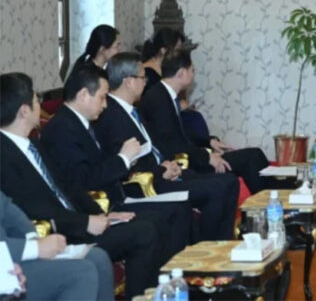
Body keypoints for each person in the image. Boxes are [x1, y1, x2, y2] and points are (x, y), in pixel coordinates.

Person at [0, 72, 159, 299]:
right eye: (36, 100)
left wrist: (102, 215)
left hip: (74, 222)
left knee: (137, 231)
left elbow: (68, 186)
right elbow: (33, 208)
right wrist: (84, 223)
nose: (40, 106)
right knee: (142, 233)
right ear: (24, 111)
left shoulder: (32, 144)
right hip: (60, 230)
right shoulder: (5, 156)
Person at [41, 65, 193, 261]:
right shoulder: (62, 129)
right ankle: (159, 278)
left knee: (174, 211)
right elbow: (83, 181)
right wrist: (123, 159)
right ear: (84, 95)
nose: (105, 105)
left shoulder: (81, 122)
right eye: (102, 97)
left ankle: (174, 273)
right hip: (95, 207)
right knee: (152, 225)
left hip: (111, 200)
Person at [95, 52, 239, 240]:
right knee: (217, 189)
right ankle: (208, 246)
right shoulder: (111, 116)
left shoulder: (130, 110)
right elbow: (125, 162)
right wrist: (161, 170)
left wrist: (168, 164)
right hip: (148, 184)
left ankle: (221, 245)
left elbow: (155, 144)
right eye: (142, 77)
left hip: (163, 171)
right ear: (128, 81)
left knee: (228, 181)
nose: (145, 82)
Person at [139, 50, 271, 194]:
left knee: (255, 155)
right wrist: (208, 157)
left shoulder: (163, 94)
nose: (194, 74)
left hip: (189, 156)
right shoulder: (158, 100)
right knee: (251, 158)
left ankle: (271, 201)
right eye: (192, 70)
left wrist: (209, 142)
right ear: (181, 73)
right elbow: (171, 144)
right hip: (180, 165)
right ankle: (269, 203)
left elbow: (180, 133)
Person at [0, 190, 114, 300]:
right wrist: (36, 248)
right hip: (5, 264)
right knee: (80, 272)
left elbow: (9, 211)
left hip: (10, 257)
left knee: (98, 258)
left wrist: (32, 238)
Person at [141, 28, 184, 92]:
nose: (177, 55)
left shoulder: (167, 69)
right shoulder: (147, 72)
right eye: (175, 50)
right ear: (163, 50)